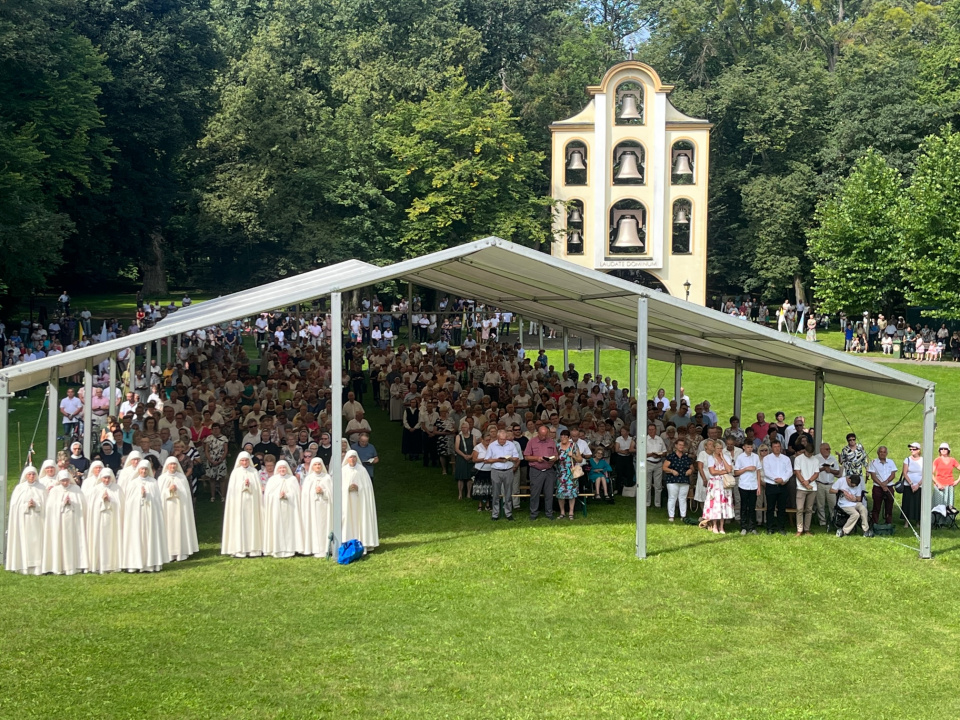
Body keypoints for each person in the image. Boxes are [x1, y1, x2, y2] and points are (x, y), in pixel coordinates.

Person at [121, 461, 169, 572]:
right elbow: (129, 503)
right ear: (138, 470)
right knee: (136, 537)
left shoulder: (153, 483)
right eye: (141, 469)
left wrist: (147, 497)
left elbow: (157, 501)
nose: (143, 471)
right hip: (136, 517)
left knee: (150, 537)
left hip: (150, 517)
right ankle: (135, 563)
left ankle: (151, 563)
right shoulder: (133, 483)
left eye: (146, 469)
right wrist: (140, 496)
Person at [5, 466, 46, 575]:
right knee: (24, 542)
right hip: (24, 521)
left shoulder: (41, 488)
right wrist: (26, 505)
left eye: (33, 474)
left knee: (37, 543)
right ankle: (23, 566)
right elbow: (15, 506)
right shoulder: (19, 488)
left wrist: (36, 505)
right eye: (29, 474)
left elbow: (47, 506)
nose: (31, 476)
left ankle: (38, 568)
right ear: (25, 476)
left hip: (38, 521)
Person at [221, 452, 264, 558]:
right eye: (242, 460)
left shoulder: (254, 472)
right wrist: (243, 485)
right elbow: (232, 490)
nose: (244, 462)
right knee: (239, 524)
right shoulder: (235, 473)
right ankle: (239, 548)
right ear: (239, 461)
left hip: (252, 503)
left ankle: (254, 548)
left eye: (246, 460)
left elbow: (258, 488)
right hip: (239, 504)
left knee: (252, 523)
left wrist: (250, 485)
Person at [157, 457, 199, 561]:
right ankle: (169, 552)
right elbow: (159, 496)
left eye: (174, 464)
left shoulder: (182, 478)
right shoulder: (162, 478)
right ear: (167, 466)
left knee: (180, 527)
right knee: (168, 529)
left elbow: (186, 495)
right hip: (167, 508)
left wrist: (177, 491)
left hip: (180, 508)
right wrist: (168, 491)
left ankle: (182, 551)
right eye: (171, 464)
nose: (172, 466)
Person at [84, 467, 124, 574]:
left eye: (108, 478)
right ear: (101, 478)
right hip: (99, 521)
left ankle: (113, 564)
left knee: (113, 541)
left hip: (113, 521)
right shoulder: (95, 490)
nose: (106, 480)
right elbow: (91, 507)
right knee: (99, 540)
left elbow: (121, 506)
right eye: (105, 478)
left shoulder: (117, 489)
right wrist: (102, 501)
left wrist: (110, 501)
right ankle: (98, 564)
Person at [263, 460, 304, 558]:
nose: (282, 469)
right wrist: (278, 495)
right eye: (280, 468)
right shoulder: (272, 480)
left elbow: (297, 495)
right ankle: (277, 549)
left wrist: (287, 495)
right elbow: (268, 495)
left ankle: (290, 549)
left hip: (290, 509)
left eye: (284, 468)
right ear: (277, 469)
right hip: (276, 509)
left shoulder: (292, 479)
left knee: (290, 527)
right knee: (277, 527)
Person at [342, 450, 379, 553]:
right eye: (350, 457)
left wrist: (359, 488)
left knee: (360, 519)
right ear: (347, 459)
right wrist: (347, 488)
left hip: (360, 501)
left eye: (354, 457)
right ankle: (347, 542)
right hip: (347, 501)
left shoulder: (362, 470)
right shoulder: (343, 471)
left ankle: (363, 542)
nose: (352, 459)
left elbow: (367, 488)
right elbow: (339, 488)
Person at [300, 457, 333, 558]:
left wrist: (323, 492)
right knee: (314, 526)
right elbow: (305, 495)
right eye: (315, 465)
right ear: (312, 467)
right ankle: (314, 548)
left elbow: (332, 493)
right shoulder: (309, 479)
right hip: (313, 508)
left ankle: (327, 548)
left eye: (319, 464)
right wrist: (314, 493)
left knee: (325, 525)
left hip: (325, 507)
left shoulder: (327, 478)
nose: (317, 466)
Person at [524, 424, 558, 521]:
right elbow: (526, 456)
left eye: (545, 435)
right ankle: (534, 513)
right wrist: (536, 458)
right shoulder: (531, 442)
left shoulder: (551, 442)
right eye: (542, 435)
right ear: (538, 433)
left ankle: (549, 512)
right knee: (535, 493)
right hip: (536, 470)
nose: (544, 437)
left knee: (549, 493)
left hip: (549, 470)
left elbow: (556, 455)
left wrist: (553, 459)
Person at [487, 428, 520, 521]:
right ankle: (495, 514)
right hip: (496, 470)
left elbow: (517, 457)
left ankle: (508, 513)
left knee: (508, 493)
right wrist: (498, 459)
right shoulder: (492, 445)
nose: (503, 441)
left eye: (504, 439)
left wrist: (510, 459)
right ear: (497, 438)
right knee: (496, 493)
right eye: (501, 439)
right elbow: (487, 460)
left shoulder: (511, 444)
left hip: (508, 470)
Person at [702, 443, 734, 533]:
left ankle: (722, 526)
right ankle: (715, 525)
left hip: (724, 484)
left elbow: (729, 469)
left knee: (723, 505)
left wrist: (723, 458)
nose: (719, 450)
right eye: (717, 448)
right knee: (715, 505)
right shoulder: (711, 458)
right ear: (714, 449)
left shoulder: (726, 457)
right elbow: (712, 471)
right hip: (715, 484)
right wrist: (724, 472)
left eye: (721, 448)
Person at [761, 440, 792, 534]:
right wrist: (776, 479)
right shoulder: (767, 459)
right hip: (771, 485)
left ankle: (781, 528)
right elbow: (767, 472)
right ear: (771, 448)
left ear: (781, 447)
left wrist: (783, 479)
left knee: (782, 508)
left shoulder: (786, 459)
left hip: (783, 485)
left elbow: (789, 471)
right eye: (775, 447)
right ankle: (770, 528)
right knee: (770, 508)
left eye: (778, 446)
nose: (777, 448)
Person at [832, 472, 873, 537]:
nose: (853, 487)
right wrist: (841, 491)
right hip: (844, 504)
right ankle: (844, 531)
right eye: (852, 485)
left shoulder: (857, 485)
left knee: (863, 509)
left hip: (854, 503)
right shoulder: (841, 481)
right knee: (855, 514)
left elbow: (859, 499)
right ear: (849, 480)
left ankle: (865, 530)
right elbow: (831, 490)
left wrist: (854, 499)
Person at [793, 437, 819, 535]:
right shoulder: (798, 459)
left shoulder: (815, 460)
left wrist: (808, 481)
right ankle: (799, 529)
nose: (810, 455)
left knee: (809, 509)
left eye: (811, 453)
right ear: (805, 451)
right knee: (799, 509)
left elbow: (816, 473)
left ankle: (807, 529)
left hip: (812, 487)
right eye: (808, 453)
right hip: (801, 487)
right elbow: (797, 472)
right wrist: (804, 483)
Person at [663, 439, 693, 522]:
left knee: (683, 498)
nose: (681, 447)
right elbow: (664, 467)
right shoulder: (671, 456)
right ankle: (671, 516)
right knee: (672, 498)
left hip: (684, 480)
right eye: (680, 445)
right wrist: (672, 471)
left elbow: (692, 468)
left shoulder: (686, 457)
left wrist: (690, 471)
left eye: (683, 445)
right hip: (672, 480)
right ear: (675, 445)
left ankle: (683, 515)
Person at [733, 442, 760, 534]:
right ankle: (743, 527)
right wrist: (746, 469)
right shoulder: (740, 457)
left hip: (753, 485)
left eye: (751, 447)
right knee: (744, 506)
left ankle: (752, 527)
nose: (750, 449)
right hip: (743, 485)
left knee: (752, 507)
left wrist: (759, 486)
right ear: (744, 447)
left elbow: (758, 472)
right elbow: (736, 472)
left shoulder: (756, 457)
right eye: (748, 447)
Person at [555, 430, 582, 520]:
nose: (563, 438)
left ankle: (571, 512)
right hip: (561, 473)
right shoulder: (557, 446)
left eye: (565, 436)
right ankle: (562, 512)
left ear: (569, 437)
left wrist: (573, 456)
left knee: (571, 492)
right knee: (560, 493)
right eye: (561, 436)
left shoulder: (573, 446)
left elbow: (580, 460)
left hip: (571, 473)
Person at [868, 446, 898, 526]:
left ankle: (888, 523)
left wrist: (886, 482)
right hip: (877, 487)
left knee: (889, 505)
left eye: (884, 452)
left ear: (886, 453)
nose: (882, 453)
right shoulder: (873, 462)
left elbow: (893, 474)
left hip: (889, 486)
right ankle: (875, 523)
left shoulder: (891, 462)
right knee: (876, 506)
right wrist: (882, 485)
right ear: (878, 453)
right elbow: (873, 476)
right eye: (881, 452)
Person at [901, 442, 923, 527]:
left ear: (918, 450)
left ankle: (918, 521)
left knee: (919, 503)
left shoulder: (923, 460)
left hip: (920, 485)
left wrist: (918, 484)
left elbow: (925, 473)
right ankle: (906, 521)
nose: (912, 451)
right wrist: (911, 484)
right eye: (911, 449)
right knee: (907, 503)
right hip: (908, 485)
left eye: (914, 449)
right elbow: (905, 473)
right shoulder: (907, 459)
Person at [645, 423, 667, 508]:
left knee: (658, 485)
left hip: (658, 463)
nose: (651, 431)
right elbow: (640, 453)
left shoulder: (659, 439)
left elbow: (665, 451)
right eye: (649, 429)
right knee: (647, 485)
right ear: (647, 430)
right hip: (648, 462)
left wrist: (659, 455)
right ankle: (647, 503)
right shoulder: (645, 439)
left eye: (653, 429)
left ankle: (657, 504)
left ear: (655, 430)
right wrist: (651, 454)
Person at [932, 442, 960, 508]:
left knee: (949, 505)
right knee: (938, 505)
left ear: (948, 450)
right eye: (941, 449)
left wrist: (957, 481)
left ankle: (948, 518)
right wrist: (937, 483)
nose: (943, 450)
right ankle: (937, 518)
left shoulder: (952, 460)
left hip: (949, 485)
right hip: (939, 486)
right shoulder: (937, 460)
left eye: (945, 449)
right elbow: (931, 473)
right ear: (939, 450)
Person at [454, 421, 475, 502]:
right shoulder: (458, 437)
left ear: (468, 428)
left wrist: (471, 455)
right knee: (460, 477)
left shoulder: (473, 437)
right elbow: (456, 448)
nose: (463, 429)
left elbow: (475, 447)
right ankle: (460, 494)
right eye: (462, 428)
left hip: (470, 458)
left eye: (465, 427)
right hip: (461, 458)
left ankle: (469, 493)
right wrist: (464, 456)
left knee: (469, 477)